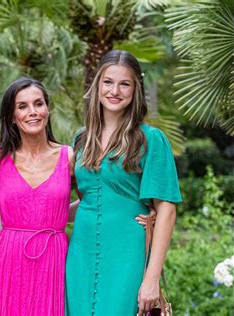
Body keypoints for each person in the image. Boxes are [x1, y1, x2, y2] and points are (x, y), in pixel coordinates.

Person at [65, 50, 182, 316]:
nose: (114, 90)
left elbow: (166, 210)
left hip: (126, 252)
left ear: (135, 90)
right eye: (108, 82)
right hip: (81, 253)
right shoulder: (81, 139)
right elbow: (87, 200)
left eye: (124, 84)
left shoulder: (151, 139)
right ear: (97, 86)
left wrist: (151, 279)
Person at [0, 77, 75, 315]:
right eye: (22, 106)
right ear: (12, 117)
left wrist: (136, 211)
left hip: (54, 258)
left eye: (38, 104)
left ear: (48, 109)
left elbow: (91, 202)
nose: (32, 112)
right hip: (10, 259)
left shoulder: (68, 157)